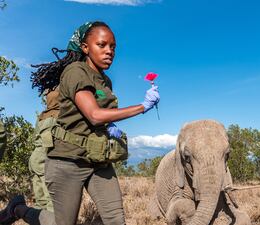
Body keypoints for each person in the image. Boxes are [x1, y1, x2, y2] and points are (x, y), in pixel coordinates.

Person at [0, 21, 160, 225]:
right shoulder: (76, 71)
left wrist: (110, 127)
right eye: (102, 45)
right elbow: (94, 114)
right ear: (85, 47)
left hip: (97, 159)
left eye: (113, 46)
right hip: (67, 160)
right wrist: (142, 106)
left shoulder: (105, 80)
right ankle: (18, 209)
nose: (109, 51)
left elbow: (101, 115)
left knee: (116, 220)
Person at [29, 87, 59, 212]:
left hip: (37, 159)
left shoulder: (43, 116)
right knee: (48, 200)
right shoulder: (57, 116)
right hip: (42, 160)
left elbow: (37, 139)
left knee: (42, 199)